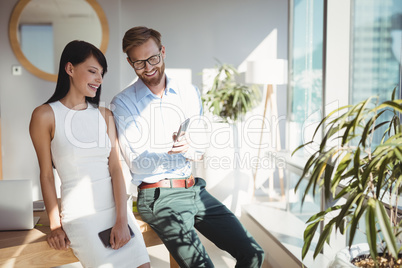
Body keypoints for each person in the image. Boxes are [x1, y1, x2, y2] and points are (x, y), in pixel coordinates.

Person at [111, 26, 265, 267]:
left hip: (194, 189)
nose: (148, 68)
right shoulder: (123, 103)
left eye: (153, 58)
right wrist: (174, 149)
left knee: (254, 253)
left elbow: (199, 150)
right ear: (130, 62)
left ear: (162, 51)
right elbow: (136, 161)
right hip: (159, 196)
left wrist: (188, 148)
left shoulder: (189, 93)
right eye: (139, 63)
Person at [29, 40, 150, 268]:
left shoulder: (104, 114)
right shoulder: (45, 115)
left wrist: (122, 220)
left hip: (117, 212)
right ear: (70, 69)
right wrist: (55, 226)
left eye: (101, 74)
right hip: (81, 217)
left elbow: (115, 168)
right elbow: (46, 174)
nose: (99, 79)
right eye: (93, 71)